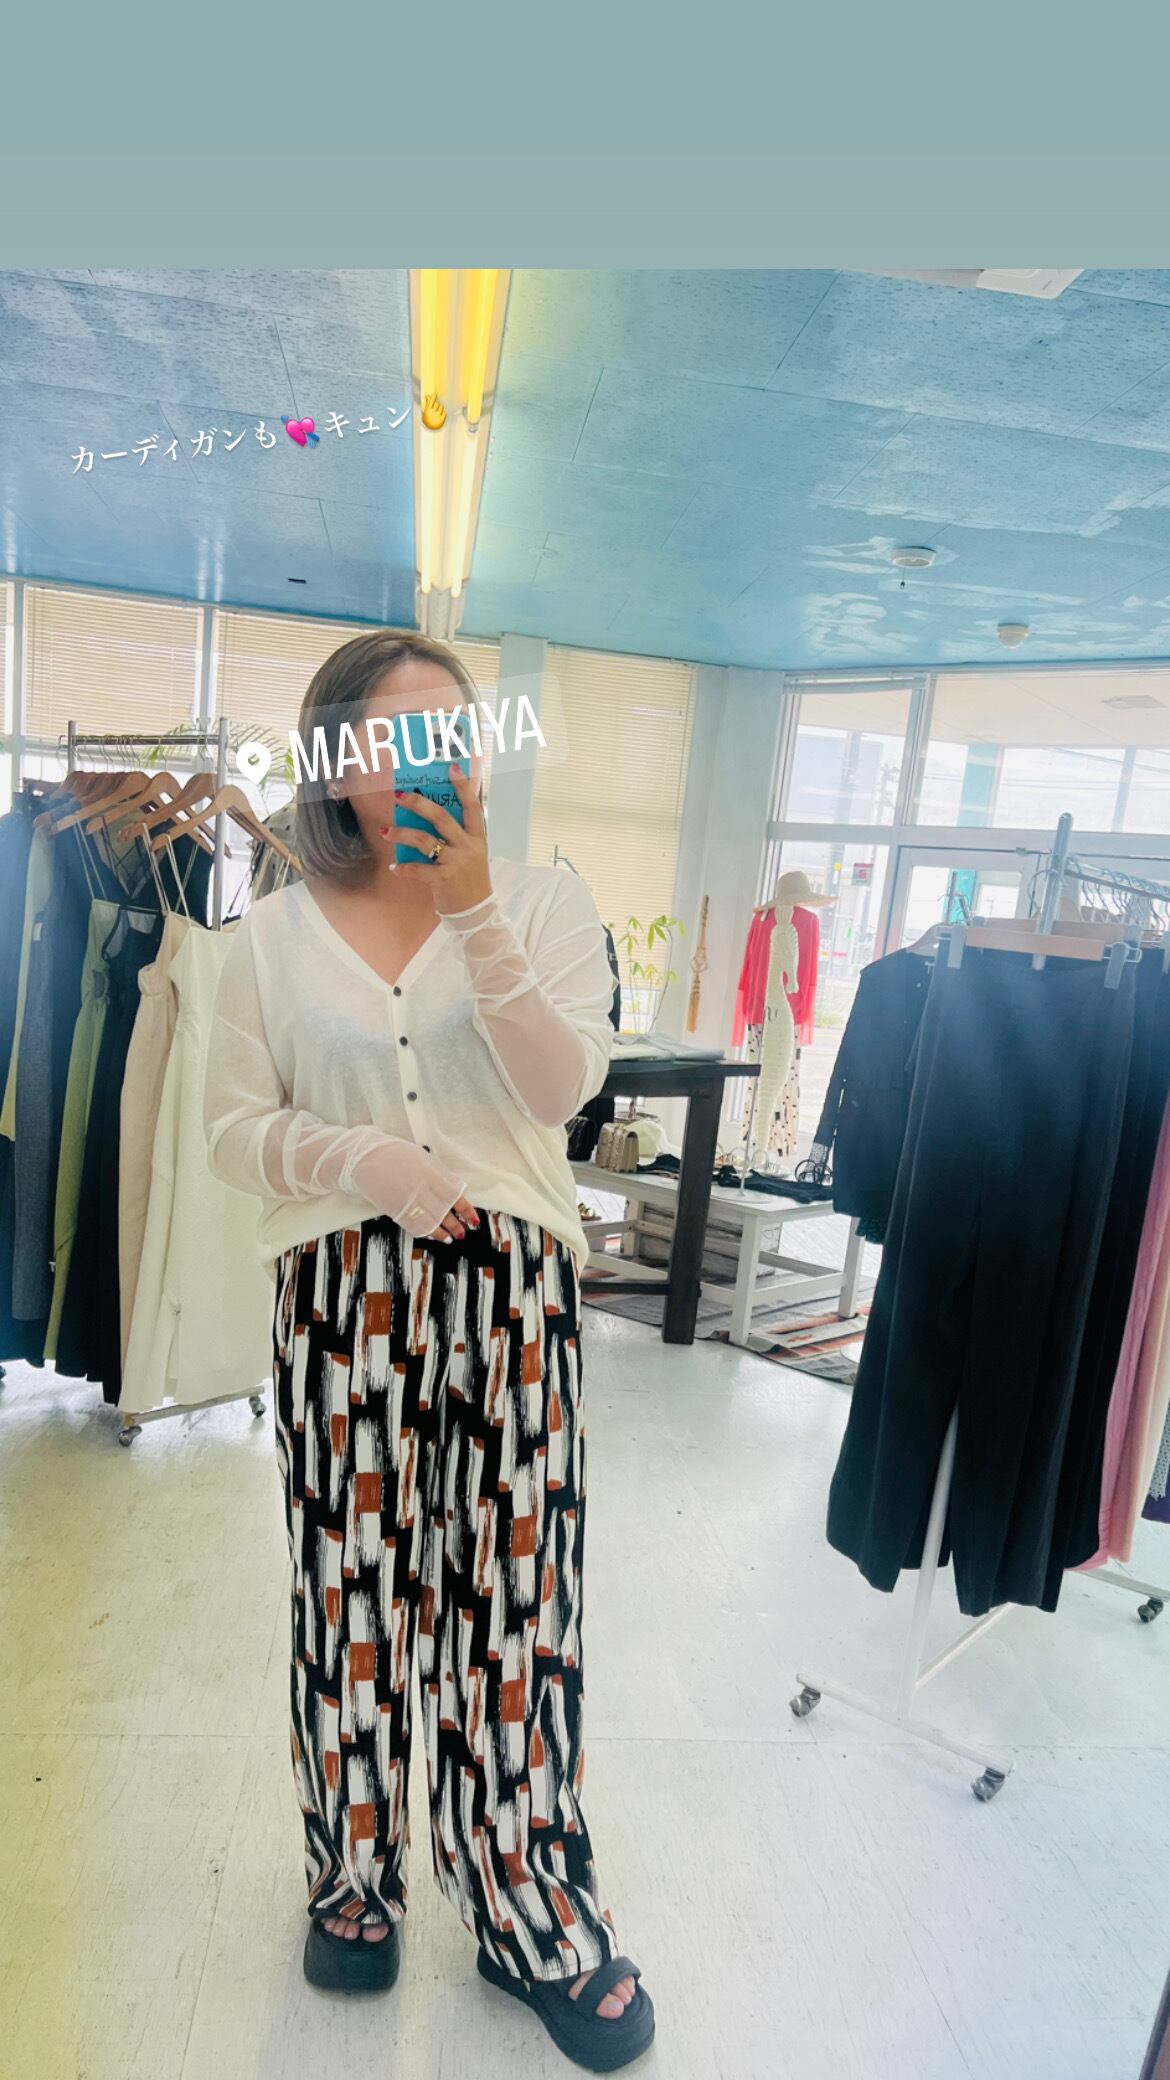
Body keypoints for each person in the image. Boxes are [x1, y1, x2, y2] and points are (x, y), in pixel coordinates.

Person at [203, 630, 654, 2071]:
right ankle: (354, 1877)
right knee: (348, 1595)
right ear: (335, 760)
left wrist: (477, 915)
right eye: (393, 739)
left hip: (512, 1295)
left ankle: (527, 1902)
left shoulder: (545, 901)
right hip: (343, 1299)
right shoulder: (269, 935)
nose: (429, 762)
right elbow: (229, 1129)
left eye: (453, 733)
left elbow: (561, 1091)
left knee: (517, 1600)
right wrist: (365, 1163)